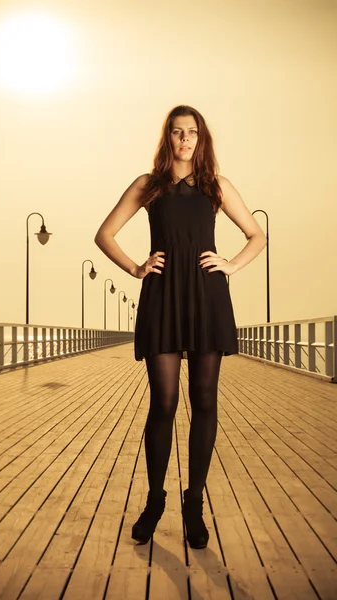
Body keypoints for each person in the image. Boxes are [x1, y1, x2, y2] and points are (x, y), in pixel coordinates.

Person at [94, 105, 266, 548]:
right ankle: (155, 501)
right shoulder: (148, 186)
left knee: (204, 398)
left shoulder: (215, 186)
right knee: (164, 401)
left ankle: (194, 505)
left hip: (207, 296)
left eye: (192, 133)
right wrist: (136, 267)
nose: (185, 139)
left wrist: (229, 265)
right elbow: (105, 234)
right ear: (167, 138)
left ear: (201, 139)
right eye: (177, 132)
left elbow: (258, 235)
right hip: (164, 296)